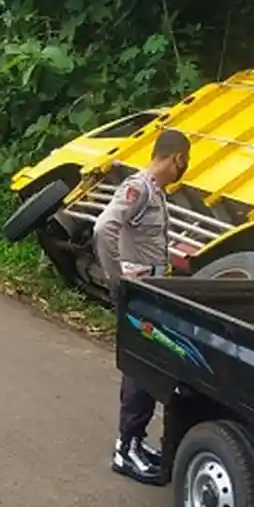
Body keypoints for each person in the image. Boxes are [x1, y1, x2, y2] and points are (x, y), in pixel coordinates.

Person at [93, 128, 191, 485]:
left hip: (150, 289)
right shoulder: (139, 188)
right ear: (177, 158)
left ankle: (134, 441)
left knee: (147, 368)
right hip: (138, 290)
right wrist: (116, 279)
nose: (183, 170)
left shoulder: (155, 194)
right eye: (185, 163)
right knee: (140, 369)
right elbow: (104, 229)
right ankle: (125, 448)